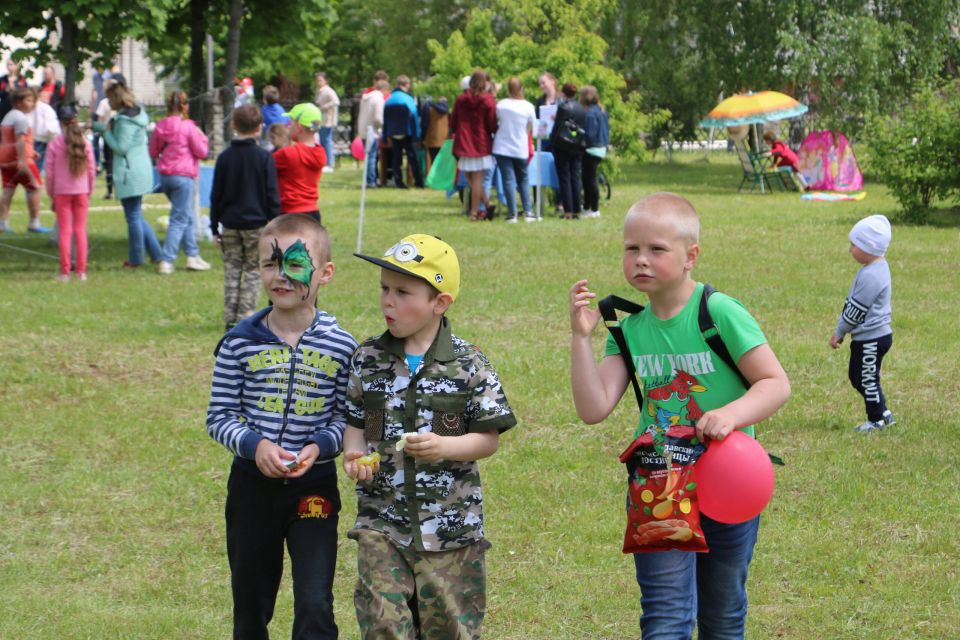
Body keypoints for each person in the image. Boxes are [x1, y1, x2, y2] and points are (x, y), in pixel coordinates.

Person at [569, 193, 791, 639]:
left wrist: (731, 414)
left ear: (691, 256)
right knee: (665, 616)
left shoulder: (718, 311)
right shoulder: (628, 329)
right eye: (632, 248)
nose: (641, 259)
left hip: (730, 479)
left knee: (722, 612)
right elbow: (593, 408)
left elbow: (775, 383)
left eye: (657, 249)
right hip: (659, 481)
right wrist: (580, 338)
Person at [344, 233, 516, 639]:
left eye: (403, 292)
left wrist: (445, 446)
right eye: (385, 289)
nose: (388, 301)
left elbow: (488, 439)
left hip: (450, 531)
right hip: (382, 522)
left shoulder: (469, 363)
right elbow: (356, 423)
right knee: (383, 625)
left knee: (451, 629)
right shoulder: (367, 359)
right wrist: (353, 455)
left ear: (440, 303)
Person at [207, 213, 357, 639]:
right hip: (252, 491)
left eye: (295, 264)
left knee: (314, 601)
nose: (280, 276)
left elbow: (345, 418)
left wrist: (320, 446)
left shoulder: (342, 346)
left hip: (314, 489)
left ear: (325, 273)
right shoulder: (239, 342)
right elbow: (219, 416)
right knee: (251, 604)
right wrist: (255, 445)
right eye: (270, 264)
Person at [210, 104, 281, 330]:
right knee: (252, 271)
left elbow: (216, 195)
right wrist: (275, 223)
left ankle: (230, 317)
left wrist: (214, 226)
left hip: (230, 224)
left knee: (232, 270)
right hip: (256, 225)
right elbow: (272, 194)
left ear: (233, 125)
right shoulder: (264, 157)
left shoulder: (224, 158)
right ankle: (244, 317)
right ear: (260, 127)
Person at [829, 214, 895, 433]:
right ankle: (883, 413)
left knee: (866, 380)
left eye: (854, 245)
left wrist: (839, 332)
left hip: (871, 338)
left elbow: (855, 311)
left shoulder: (871, 276)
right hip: (870, 337)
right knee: (859, 377)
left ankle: (876, 420)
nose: (850, 250)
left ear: (869, 247)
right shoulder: (877, 267)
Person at [92, 80, 163, 269]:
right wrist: (98, 127)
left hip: (129, 172)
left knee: (132, 217)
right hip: (140, 168)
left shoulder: (124, 121)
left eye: (109, 99)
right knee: (136, 214)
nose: (108, 103)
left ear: (116, 99)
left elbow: (121, 147)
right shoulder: (138, 114)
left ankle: (136, 259)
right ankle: (157, 254)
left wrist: (106, 134)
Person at [150, 89, 211, 275]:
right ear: (185, 106)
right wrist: (203, 137)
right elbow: (202, 152)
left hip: (166, 177)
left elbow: (153, 151)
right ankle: (167, 260)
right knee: (179, 219)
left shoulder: (161, 126)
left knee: (187, 215)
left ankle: (193, 255)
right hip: (183, 176)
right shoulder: (188, 127)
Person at [45, 103, 94, 282]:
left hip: (62, 192)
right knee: (80, 231)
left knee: (65, 232)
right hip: (82, 191)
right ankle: (81, 271)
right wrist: (89, 190)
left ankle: (65, 272)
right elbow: (91, 170)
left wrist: (51, 193)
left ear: (61, 122)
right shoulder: (85, 143)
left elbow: (49, 174)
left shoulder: (54, 144)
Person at [450, 70, 498, 221]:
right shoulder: (488, 100)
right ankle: (480, 209)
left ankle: (479, 210)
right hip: (481, 142)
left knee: (472, 177)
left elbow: (453, 121)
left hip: (464, 141)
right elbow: (492, 123)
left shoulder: (460, 99)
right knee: (474, 178)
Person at [0, 87, 49, 233]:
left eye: (33, 100)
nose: (32, 103)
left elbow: (10, 140)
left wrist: (31, 151)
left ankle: (2, 223)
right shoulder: (21, 119)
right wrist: (23, 159)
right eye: (29, 100)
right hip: (20, 161)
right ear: (18, 102)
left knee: (8, 190)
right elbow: (20, 140)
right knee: (35, 187)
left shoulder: (8, 117)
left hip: (6, 160)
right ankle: (34, 223)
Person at [492, 77, 536, 223]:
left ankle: (512, 213)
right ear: (522, 89)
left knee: (508, 180)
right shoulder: (528, 106)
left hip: (502, 146)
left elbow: (496, 121)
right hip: (520, 147)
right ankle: (528, 211)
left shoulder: (501, 105)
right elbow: (530, 127)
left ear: (508, 89)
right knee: (523, 179)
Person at [274, 103, 327, 220]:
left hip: (289, 214)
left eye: (290, 123)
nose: (288, 126)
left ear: (299, 127)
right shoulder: (321, 152)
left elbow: (263, 164)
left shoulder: (288, 154)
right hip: (313, 213)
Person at [550, 82, 586, 219]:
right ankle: (577, 209)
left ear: (563, 93)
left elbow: (558, 127)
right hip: (577, 145)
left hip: (563, 146)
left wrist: (553, 141)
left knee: (565, 178)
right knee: (575, 178)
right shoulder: (581, 107)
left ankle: (568, 211)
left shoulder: (563, 107)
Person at [382, 75, 423, 189]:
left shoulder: (389, 100)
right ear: (406, 85)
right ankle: (418, 182)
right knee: (413, 158)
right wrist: (417, 135)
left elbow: (385, 119)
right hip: (407, 131)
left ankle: (399, 182)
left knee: (397, 159)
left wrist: (385, 136)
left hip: (393, 133)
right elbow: (414, 116)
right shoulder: (408, 99)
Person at [580, 85, 610, 219]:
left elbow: (590, 135)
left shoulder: (590, 113)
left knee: (590, 180)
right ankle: (587, 206)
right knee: (587, 178)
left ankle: (594, 209)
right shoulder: (602, 110)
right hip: (601, 147)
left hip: (591, 148)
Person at [356, 80, 387, 188]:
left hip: (363, 129)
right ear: (384, 89)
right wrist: (380, 127)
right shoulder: (378, 99)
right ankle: (371, 181)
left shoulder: (366, 98)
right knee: (372, 157)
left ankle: (368, 179)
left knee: (368, 156)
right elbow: (378, 118)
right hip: (372, 131)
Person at [27, 88, 60, 174]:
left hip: (31, 139)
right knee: (37, 167)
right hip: (41, 140)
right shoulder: (46, 108)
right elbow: (52, 128)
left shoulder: (28, 108)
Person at [314, 72, 339, 172]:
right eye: (317, 80)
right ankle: (324, 162)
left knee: (327, 141)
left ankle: (329, 163)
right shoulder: (319, 91)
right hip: (321, 119)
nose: (318, 82)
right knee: (322, 141)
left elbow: (336, 101)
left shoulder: (329, 91)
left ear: (326, 81)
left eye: (320, 80)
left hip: (328, 120)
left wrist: (324, 107)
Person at [534, 72, 558, 153]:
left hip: (558, 139)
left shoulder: (562, 99)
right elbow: (536, 119)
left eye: (543, 83)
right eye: (540, 84)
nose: (541, 86)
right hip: (544, 139)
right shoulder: (539, 101)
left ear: (552, 81)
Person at [259, 84, 289, 150]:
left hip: (269, 141)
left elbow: (260, 124)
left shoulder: (264, 110)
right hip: (283, 140)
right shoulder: (281, 109)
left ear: (265, 99)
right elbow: (287, 121)